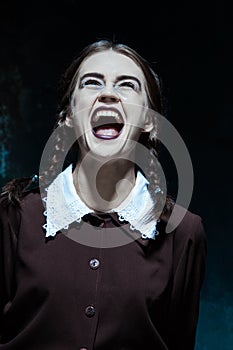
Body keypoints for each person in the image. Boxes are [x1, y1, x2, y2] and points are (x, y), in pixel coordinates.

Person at [0, 39, 207, 350]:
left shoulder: (183, 233)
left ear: (149, 120)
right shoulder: (14, 215)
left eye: (127, 85)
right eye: (92, 82)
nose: (108, 93)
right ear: (68, 115)